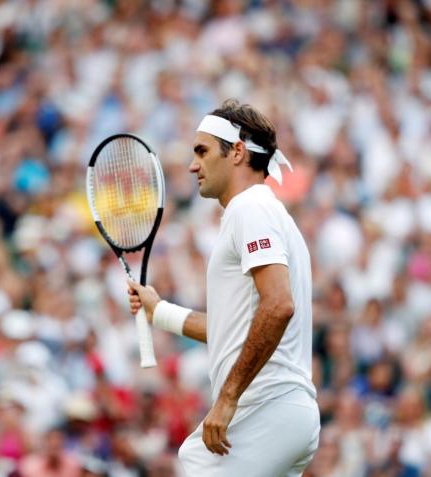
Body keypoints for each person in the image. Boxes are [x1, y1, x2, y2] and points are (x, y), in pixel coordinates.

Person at [128, 99, 320, 476]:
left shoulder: (251, 208)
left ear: (236, 152)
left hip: (269, 406)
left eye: (202, 151)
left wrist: (228, 398)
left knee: (193, 463)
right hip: (285, 415)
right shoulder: (259, 211)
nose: (192, 165)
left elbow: (279, 305)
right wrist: (160, 311)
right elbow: (234, 328)